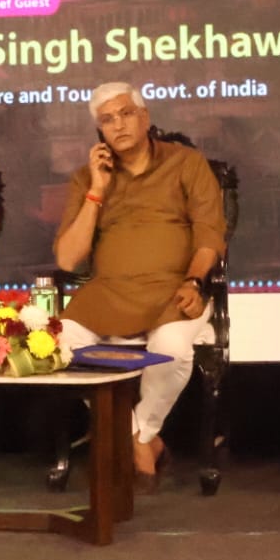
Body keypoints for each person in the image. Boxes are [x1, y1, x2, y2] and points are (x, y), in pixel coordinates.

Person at [53, 82, 226, 491]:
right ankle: (140, 440)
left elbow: (209, 235)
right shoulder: (87, 178)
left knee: (172, 351)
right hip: (108, 293)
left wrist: (194, 280)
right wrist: (97, 191)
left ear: (145, 117)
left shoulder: (186, 163)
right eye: (107, 119)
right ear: (99, 130)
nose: (118, 125)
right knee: (57, 347)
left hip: (174, 290)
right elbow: (67, 259)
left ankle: (139, 435)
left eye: (126, 113)